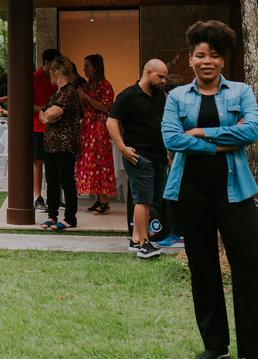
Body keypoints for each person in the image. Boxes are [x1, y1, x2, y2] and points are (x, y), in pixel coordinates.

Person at [162, 21, 258, 359]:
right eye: (200, 55)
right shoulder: (177, 96)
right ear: (190, 59)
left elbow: (252, 131)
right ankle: (215, 345)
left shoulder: (239, 92)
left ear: (223, 60)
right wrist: (222, 142)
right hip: (191, 190)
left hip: (233, 189)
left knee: (252, 263)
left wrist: (201, 132)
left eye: (215, 55)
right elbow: (171, 139)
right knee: (203, 266)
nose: (207, 61)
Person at [107, 59, 170, 259]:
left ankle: (135, 239)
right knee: (143, 199)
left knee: (151, 200)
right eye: (161, 76)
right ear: (148, 72)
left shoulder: (160, 96)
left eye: (165, 77)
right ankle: (144, 244)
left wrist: (167, 154)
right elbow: (111, 121)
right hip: (138, 155)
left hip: (159, 155)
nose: (164, 81)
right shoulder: (128, 96)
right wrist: (122, 147)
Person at [38, 55, 82, 230]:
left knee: (66, 181)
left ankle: (70, 218)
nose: (49, 77)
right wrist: (48, 116)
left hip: (65, 144)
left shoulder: (71, 92)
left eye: (50, 73)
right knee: (51, 181)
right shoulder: (54, 94)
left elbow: (50, 114)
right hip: (50, 144)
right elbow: (43, 115)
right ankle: (52, 215)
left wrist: (48, 116)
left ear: (56, 72)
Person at [77, 54, 117, 214]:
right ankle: (98, 200)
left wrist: (86, 98)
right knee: (91, 163)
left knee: (100, 162)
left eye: (87, 66)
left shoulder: (105, 85)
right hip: (87, 128)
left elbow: (106, 107)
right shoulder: (87, 85)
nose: (84, 69)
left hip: (99, 128)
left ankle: (105, 202)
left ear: (96, 67)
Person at [33, 49, 62, 211]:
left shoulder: (58, 78)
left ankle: (55, 197)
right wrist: (46, 109)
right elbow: (27, 103)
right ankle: (38, 196)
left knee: (57, 162)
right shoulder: (34, 78)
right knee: (38, 161)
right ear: (46, 63)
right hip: (38, 126)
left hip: (56, 126)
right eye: (56, 61)